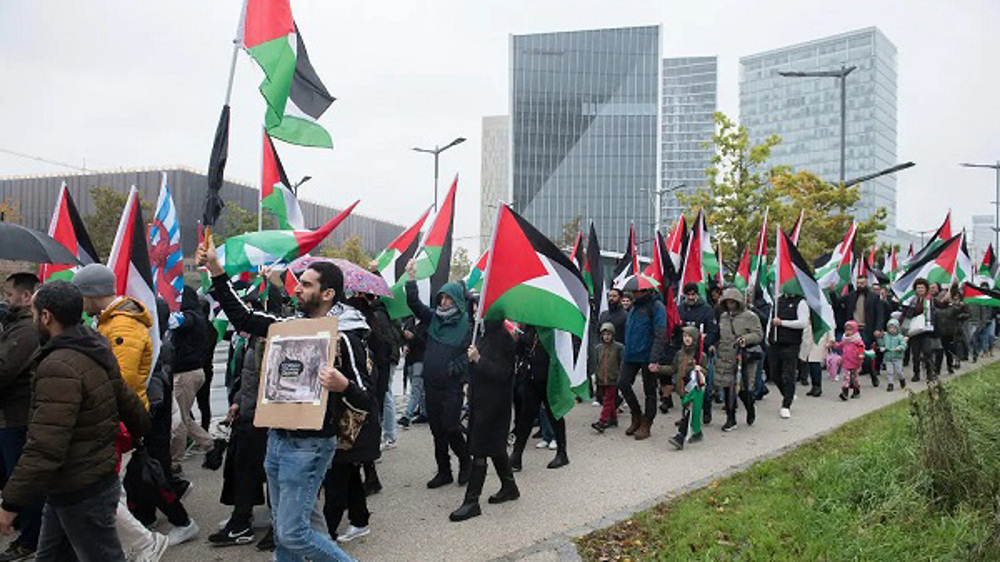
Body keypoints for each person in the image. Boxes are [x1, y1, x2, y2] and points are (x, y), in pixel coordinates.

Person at [198, 239, 367, 562]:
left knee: (291, 533)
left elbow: (365, 397)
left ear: (327, 293)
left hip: (310, 446)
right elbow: (244, 319)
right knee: (288, 530)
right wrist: (217, 271)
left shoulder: (346, 335)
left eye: (306, 285)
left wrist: (341, 383)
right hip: (277, 438)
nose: (297, 290)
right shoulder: (288, 327)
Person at [0, 280, 150, 561]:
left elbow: (45, 446)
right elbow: (129, 403)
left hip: (81, 488)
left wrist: (10, 504)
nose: (32, 319)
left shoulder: (58, 365)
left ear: (46, 317)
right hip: (77, 483)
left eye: (34, 313)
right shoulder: (94, 345)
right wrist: (142, 433)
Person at [73, 264, 186, 550]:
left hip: (120, 418)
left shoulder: (122, 325)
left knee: (110, 488)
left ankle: (144, 543)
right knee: (115, 487)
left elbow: (122, 379)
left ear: (91, 293)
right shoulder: (111, 321)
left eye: (79, 295)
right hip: (120, 416)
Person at [125, 297, 194, 555]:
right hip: (154, 421)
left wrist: (141, 417)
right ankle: (146, 517)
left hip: (152, 423)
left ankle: (182, 521)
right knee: (144, 477)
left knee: (153, 476)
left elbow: (154, 389)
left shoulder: (155, 345)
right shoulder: (158, 341)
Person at [404, 261, 471, 488]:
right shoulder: (433, 319)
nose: (444, 302)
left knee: (451, 426)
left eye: (448, 298)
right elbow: (414, 304)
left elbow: (470, 357)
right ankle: (444, 471)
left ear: (457, 300)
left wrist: (455, 368)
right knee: (437, 430)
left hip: (451, 387)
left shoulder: (466, 325)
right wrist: (411, 278)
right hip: (430, 385)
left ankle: (465, 462)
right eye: (442, 298)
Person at [323, 294, 381, 544]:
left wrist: (342, 385)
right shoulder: (354, 339)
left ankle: (325, 535)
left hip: (353, 425)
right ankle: (359, 520)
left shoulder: (347, 341)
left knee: (336, 478)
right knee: (347, 473)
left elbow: (363, 391)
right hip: (353, 424)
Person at [449, 321, 519, 522]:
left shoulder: (504, 340)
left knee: (479, 449)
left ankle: (472, 501)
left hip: (494, 405)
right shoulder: (483, 335)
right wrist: (468, 381)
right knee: (495, 447)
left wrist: (479, 359)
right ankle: (509, 486)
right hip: (480, 401)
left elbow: (503, 374)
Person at [0, 273, 42, 561]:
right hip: (9, 418)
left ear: (26, 296)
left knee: (22, 482)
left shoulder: (26, 330)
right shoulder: (16, 326)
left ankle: (30, 538)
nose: (6, 299)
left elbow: (4, 370)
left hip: (16, 418)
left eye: (9, 294)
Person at [509, 325, 568, 470]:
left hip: (549, 377)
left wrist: (522, 338)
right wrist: (517, 341)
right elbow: (522, 351)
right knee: (525, 417)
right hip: (531, 377)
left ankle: (562, 452)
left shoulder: (551, 327)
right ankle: (517, 456)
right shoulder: (529, 326)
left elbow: (543, 346)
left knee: (554, 413)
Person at [619, 287, 668, 440]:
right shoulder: (633, 306)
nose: (634, 294)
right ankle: (636, 415)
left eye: (637, 291)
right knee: (623, 383)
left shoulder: (657, 306)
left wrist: (654, 358)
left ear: (645, 291)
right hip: (631, 354)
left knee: (650, 392)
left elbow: (660, 334)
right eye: (633, 291)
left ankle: (647, 423)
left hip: (648, 356)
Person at [714, 288, 762, 431]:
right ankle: (731, 418)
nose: (730, 304)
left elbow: (758, 334)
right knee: (728, 387)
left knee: (743, 389)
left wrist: (745, 339)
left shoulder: (750, 317)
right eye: (727, 302)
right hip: (726, 356)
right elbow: (719, 334)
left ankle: (750, 407)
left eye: (733, 302)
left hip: (744, 357)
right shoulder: (723, 317)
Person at [676, 283, 719, 423]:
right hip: (685, 350)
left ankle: (706, 411)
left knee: (702, 383)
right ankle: (686, 415)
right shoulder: (680, 308)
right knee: (685, 384)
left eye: (693, 294)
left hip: (701, 351)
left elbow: (713, 329)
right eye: (688, 294)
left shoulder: (706, 309)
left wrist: (707, 342)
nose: (690, 297)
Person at [770, 289, 809, 419]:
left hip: (791, 343)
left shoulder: (801, 302)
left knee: (788, 374)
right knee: (774, 374)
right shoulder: (778, 300)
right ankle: (788, 393)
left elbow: (803, 323)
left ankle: (786, 405)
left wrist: (782, 323)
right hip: (775, 342)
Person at [666, 327, 706, 450]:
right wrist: (658, 369)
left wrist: (701, 369)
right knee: (688, 412)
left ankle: (680, 436)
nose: (686, 339)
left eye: (689, 336)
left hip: (695, 389)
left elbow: (706, 372)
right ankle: (697, 433)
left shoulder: (700, 355)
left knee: (688, 411)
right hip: (683, 389)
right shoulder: (679, 354)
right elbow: (673, 369)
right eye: (684, 336)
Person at [590, 323, 624, 433]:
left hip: (613, 378)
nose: (606, 337)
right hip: (602, 378)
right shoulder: (598, 348)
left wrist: (621, 375)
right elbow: (597, 363)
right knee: (609, 399)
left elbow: (622, 363)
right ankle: (613, 419)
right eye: (604, 334)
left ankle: (602, 421)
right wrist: (596, 376)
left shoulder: (618, 347)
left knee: (608, 400)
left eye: (609, 334)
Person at [398, 316, 428, 427]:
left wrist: (413, 337)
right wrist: (404, 345)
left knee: (416, 388)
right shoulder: (409, 321)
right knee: (419, 388)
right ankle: (424, 412)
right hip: (410, 359)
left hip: (421, 359)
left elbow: (426, 343)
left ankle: (407, 415)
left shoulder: (426, 323)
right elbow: (403, 339)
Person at [903, 278, 935, 382]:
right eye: (918, 288)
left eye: (922, 288)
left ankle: (929, 373)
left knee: (927, 352)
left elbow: (941, 305)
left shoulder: (931, 299)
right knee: (915, 353)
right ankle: (916, 373)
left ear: (926, 289)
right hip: (915, 330)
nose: (920, 290)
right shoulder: (912, 300)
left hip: (926, 330)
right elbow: (906, 314)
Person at [833, 320, 866, 400]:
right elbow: (840, 345)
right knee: (846, 377)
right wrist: (834, 345)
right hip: (846, 361)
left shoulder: (857, 340)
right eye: (846, 330)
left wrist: (860, 354)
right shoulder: (845, 339)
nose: (848, 332)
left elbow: (861, 347)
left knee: (854, 377)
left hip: (854, 361)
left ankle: (856, 390)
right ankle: (845, 392)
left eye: (850, 330)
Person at [879, 319, 907, 392]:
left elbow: (903, 344)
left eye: (894, 328)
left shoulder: (900, 337)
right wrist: (882, 346)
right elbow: (881, 344)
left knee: (899, 371)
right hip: (888, 357)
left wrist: (900, 348)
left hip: (897, 357)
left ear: (897, 328)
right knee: (889, 371)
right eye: (890, 328)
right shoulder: (885, 336)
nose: (892, 330)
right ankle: (890, 384)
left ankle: (902, 380)